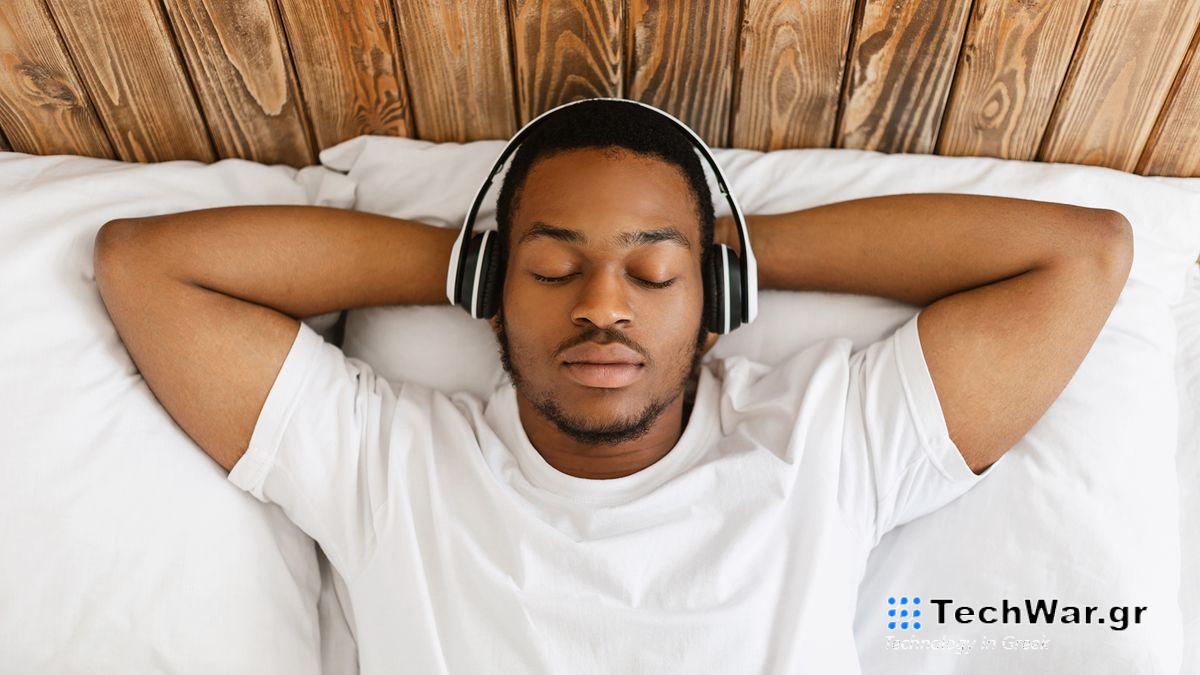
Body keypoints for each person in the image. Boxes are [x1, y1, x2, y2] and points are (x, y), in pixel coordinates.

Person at [92, 100, 1132, 673]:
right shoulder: (391, 466)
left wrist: (737, 255)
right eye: (552, 268)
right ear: (494, 297)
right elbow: (147, 267)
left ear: (715, 300)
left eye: (654, 273)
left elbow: (1082, 257)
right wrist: (466, 262)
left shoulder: (825, 439)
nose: (602, 305)